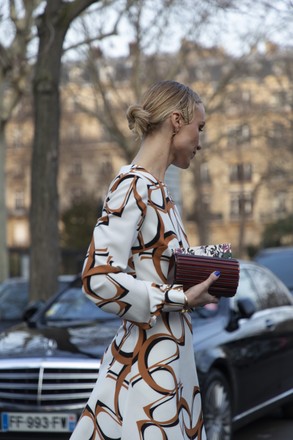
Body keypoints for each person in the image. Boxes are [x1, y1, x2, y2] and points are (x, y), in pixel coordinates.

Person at [70, 80, 220, 440]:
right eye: (199, 128)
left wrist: (204, 273)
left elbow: (151, 266)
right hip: (147, 368)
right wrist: (179, 299)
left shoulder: (157, 191)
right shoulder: (132, 186)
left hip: (165, 363)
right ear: (175, 121)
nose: (201, 141)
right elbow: (97, 278)